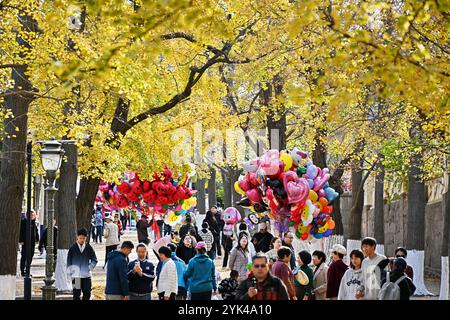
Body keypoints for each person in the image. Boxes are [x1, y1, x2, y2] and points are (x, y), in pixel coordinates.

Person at [67, 228, 98, 300]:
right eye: (80, 238)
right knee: (76, 294)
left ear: (86, 238)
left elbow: (94, 259)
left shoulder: (89, 248)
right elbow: (69, 262)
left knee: (87, 293)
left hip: (86, 276)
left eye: (83, 238)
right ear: (77, 237)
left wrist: (90, 267)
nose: (82, 240)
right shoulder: (72, 248)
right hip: (76, 277)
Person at [19, 211, 39, 277]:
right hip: (25, 242)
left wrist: (37, 239)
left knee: (30, 256)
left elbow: (35, 231)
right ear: (27, 215)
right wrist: (21, 240)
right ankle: (22, 271)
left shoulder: (33, 223)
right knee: (24, 256)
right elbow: (20, 231)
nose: (32, 216)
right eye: (31, 215)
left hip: (32, 243)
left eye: (33, 215)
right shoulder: (23, 222)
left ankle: (27, 270)